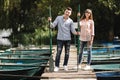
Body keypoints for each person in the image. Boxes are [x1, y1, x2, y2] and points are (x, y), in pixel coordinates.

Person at [48, 7, 79, 72]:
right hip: (60, 38)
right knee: (58, 52)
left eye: (69, 12)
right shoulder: (58, 18)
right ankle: (57, 66)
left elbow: (73, 31)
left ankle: (65, 65)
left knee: (67, 53)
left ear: (70, 14)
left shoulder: (70, 21)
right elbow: (52, 26)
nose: (67, 13)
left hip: (68, 39)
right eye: (66, 11)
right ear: (65, 11)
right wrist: (50, 21)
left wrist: (77, 33)